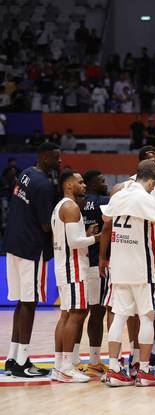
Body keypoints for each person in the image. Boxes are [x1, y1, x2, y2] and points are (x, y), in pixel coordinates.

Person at [101, 160, 155, 387]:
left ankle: (113, 369)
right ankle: (143, 370)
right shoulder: (145, 198)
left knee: (119, 316)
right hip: (143, 269)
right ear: (151, 181)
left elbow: (105, 219)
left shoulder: (119, 193)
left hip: (119, 267)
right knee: (146, 316)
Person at [3, 142, 61, 378]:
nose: (59, 162)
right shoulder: (44, 185)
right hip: (30, 249)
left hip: (12, 244)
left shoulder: (26, 174)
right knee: (29, 302)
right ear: (44, 157)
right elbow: (47, 225)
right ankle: (23, 361)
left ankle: (12, 357)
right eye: (55, 158)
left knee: (20, 301)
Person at [51, 170, 100, 383]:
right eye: (80, 182)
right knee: (77, 314)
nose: (84, 185)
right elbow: (74, 242)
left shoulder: (61, 206)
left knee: (66, 315)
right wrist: (98, 238)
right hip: (73, 268)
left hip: (64, 266)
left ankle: (59, 364)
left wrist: (86, 236)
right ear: (69, 185)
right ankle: (67, 367)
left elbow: (74, 238)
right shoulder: (70, 207)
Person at [81, 170, 110, 376]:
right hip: (98, 263)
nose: (105, 183)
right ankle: (94, 360)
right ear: (92, 184)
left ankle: (76, 358)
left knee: (87, 312)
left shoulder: (78, 203)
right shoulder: (103, 201)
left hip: (84, 261)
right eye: (101, 181)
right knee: (98, 313)